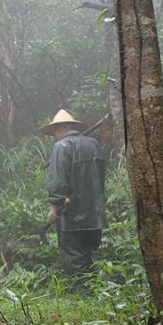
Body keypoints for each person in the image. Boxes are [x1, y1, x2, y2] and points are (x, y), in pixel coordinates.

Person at [40, 109, 106, 283]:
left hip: (70, 215)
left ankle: (82, 293)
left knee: (74, 260)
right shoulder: (94, 144)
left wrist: (54, 207)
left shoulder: (61, 147)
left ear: (61, 128)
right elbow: (100, 179)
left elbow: (58, 181)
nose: (54, 137)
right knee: (93, 256)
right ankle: (100, 292)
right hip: (95, 215)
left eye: (55, 132)